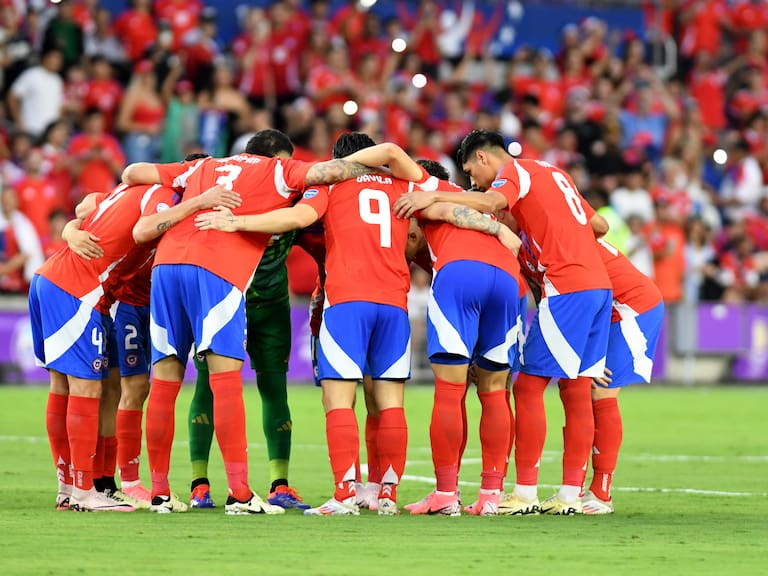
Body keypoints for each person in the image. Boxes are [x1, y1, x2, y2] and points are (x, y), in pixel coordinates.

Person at [195, 132, 517, 515]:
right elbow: (449, 210)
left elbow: (299, 217)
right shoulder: (402, 184)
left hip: (347, 300)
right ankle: (387, 495)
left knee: (338, 398)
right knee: (390, 401)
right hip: (394, 305)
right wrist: (498, 229)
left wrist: (237, 222)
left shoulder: (330, 184)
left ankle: (345, 495)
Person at [121, 129, 376, 514]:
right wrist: (388, 163)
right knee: (221, 383)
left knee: (169, 378)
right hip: (220, 274)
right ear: (277, 158)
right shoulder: (279, 172)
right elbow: (333, 173)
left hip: (175, 267)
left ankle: (162, 493)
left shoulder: (205, 166)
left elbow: (133, 172)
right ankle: (233, 492)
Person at [394, 129, 613, 515]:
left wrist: (434, 198)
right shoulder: (555, 174)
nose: (472, 183)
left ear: (482, 157)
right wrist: (539, 231)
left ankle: (479, 494)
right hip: (585, 284)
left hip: (556, 283)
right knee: (547, 389)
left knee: (494, 387)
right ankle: (522, 495)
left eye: (471, 172)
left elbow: (484, 201)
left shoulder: (509, 175)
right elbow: (599, 227)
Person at [335, 144, 523, 516]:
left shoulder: (419, 188)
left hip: (459, 274)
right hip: (507, 280)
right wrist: (499, 229)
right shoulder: (467, 196)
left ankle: (446, 494)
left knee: (451, 390)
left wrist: (338, 168)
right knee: (495, 390)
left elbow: (392, 153)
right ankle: (491, 496)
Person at [31, 178, 238, 512]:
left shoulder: (128, 194)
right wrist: (198, 202)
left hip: (57, 280)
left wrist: (70, 231)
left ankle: (70, 488)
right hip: (80, 289)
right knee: (87, 389)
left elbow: (85, 207)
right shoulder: (164, 197)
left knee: (65, 386)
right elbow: (140, 229)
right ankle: (84, 492)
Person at [186, 141, 311, 511]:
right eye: (282, 165)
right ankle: (199, 484)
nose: (287, 174)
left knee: (275, 390)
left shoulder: (296, 199)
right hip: (226, 300)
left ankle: (279, 484)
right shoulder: (226, 196)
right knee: (208, 388)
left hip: (272, 305)